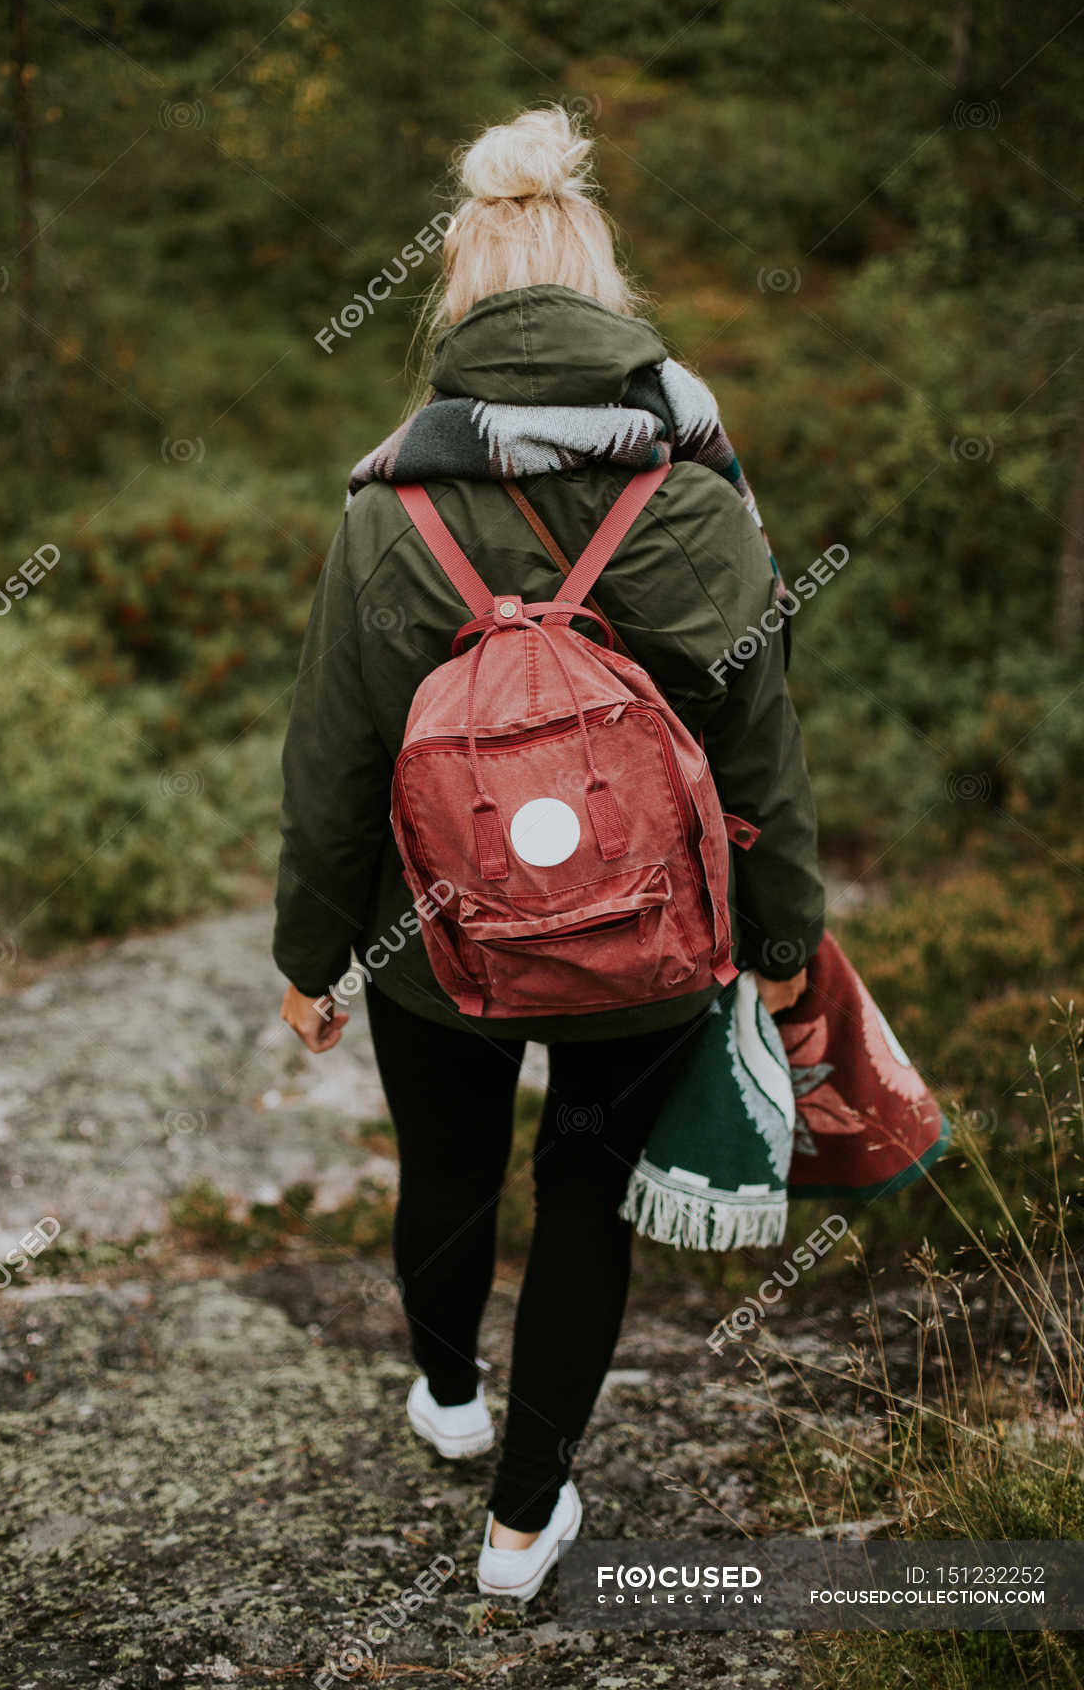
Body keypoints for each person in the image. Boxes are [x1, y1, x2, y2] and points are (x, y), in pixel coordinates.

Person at [273, 106, 825, 1602]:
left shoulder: (387, 508)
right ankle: (523, 1528)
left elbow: (332, 757)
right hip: (642, 954)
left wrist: (312, 957)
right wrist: (781, 947)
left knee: (447, 1168)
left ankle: (449, 1398)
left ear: (457, 296)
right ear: (602, 296)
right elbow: (760, 752)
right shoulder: (700, 498)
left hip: (432, 942)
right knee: (582, 1194)